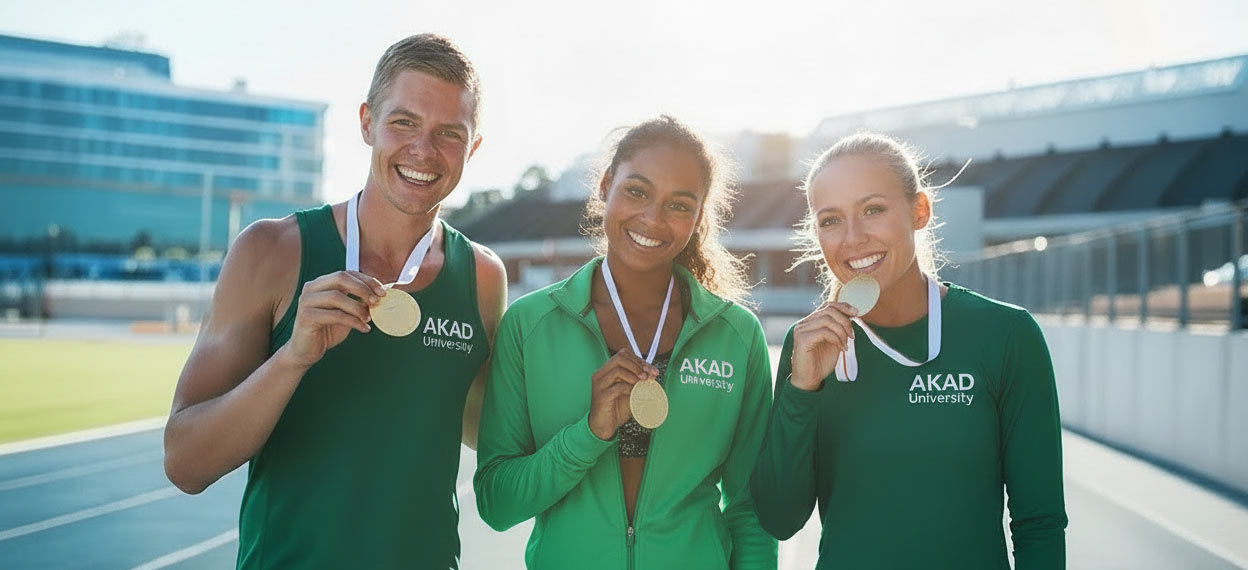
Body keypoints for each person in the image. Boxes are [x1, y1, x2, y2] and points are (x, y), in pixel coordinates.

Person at [162, 34, 506, 569]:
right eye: (403, 122)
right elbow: (185, 463)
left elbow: (488, 431)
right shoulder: (270, 251)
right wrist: (292, 358)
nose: (423, 150)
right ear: (367, 121)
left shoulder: (483, 276)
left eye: (449, 134)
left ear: (473, 147)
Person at [751, 132, 1067, 569]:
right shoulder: (810, 347)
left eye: (873, 210)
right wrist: (802, 389)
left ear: (919, 211)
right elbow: (779, 518)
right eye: (830, 220)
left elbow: (1040, 524)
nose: (853, 238)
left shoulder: (1006, 335)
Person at [473, 116, 777, 569]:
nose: (653, 219)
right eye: (637, 191)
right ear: (605, 186)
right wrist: (588, 434)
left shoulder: (736, 335)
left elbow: (751, 509)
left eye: (680, 205)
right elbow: (497, 503)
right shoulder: (530, 324)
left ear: (698, 217)